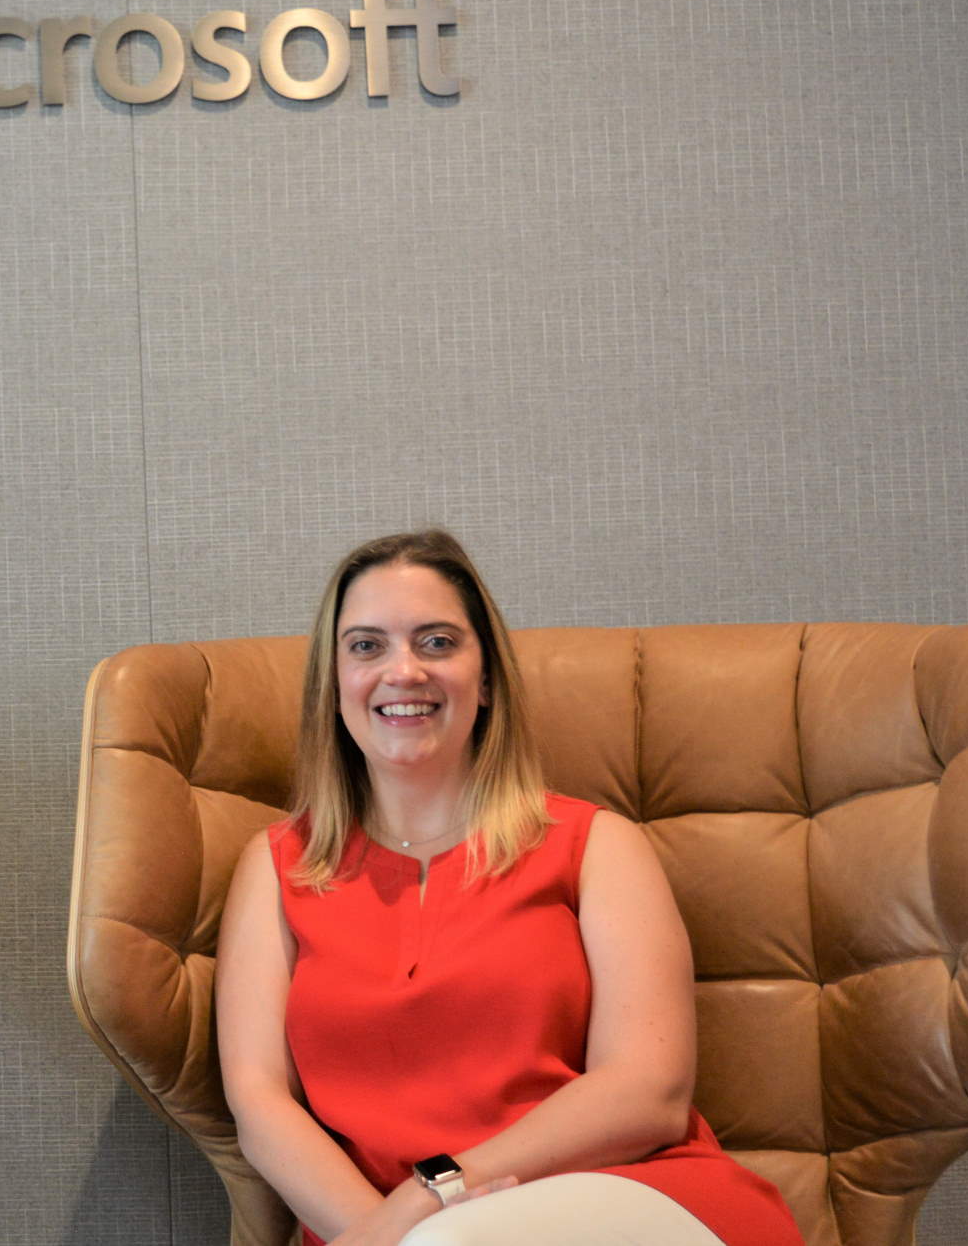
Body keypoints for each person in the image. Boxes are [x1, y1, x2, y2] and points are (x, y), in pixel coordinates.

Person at [214, 530, 802, 1246]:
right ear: (333, 684)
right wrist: (382, 1234)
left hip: (627, 1202)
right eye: (366, 646)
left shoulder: (595, 844)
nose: (403, 670)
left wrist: (429, 1197)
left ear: (486, 677)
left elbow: (649, 1092)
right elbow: (260, 1103)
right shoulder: (277, 866)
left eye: (436, 642)